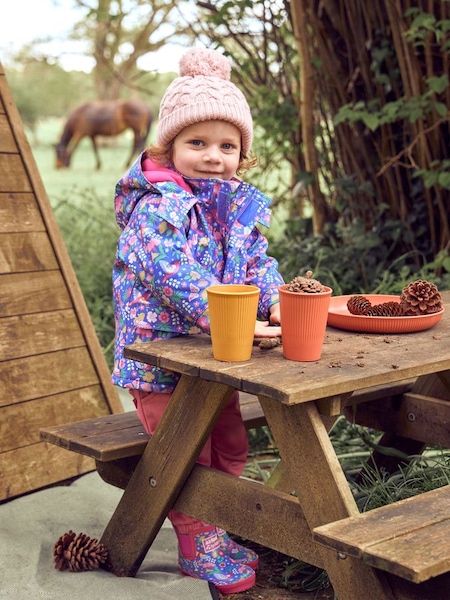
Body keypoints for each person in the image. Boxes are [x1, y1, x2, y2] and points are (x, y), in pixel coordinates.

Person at [111, 46, 284, 595]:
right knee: (187, 449)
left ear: (242, 153)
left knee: (230, 443)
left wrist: (275, 299)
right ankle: (197, 539)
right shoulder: (155, 209)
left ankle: (217, 521)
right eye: (197, 143)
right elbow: (171, 272)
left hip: (215, 356)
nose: (214, 156)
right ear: (169, 145)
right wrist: (229, 312)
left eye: (227, 145)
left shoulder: (234, 206)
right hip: (158, 357)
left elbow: (257, 260)